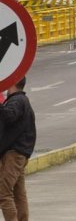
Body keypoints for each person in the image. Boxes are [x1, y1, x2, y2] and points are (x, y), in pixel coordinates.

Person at [0, 76, 35, 220]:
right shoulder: (21, 100)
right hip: (20, 153)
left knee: (3, 192)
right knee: (19, 193)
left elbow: (8, 116)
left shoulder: (17, 100)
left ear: (13, 82)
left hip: (14, 154)